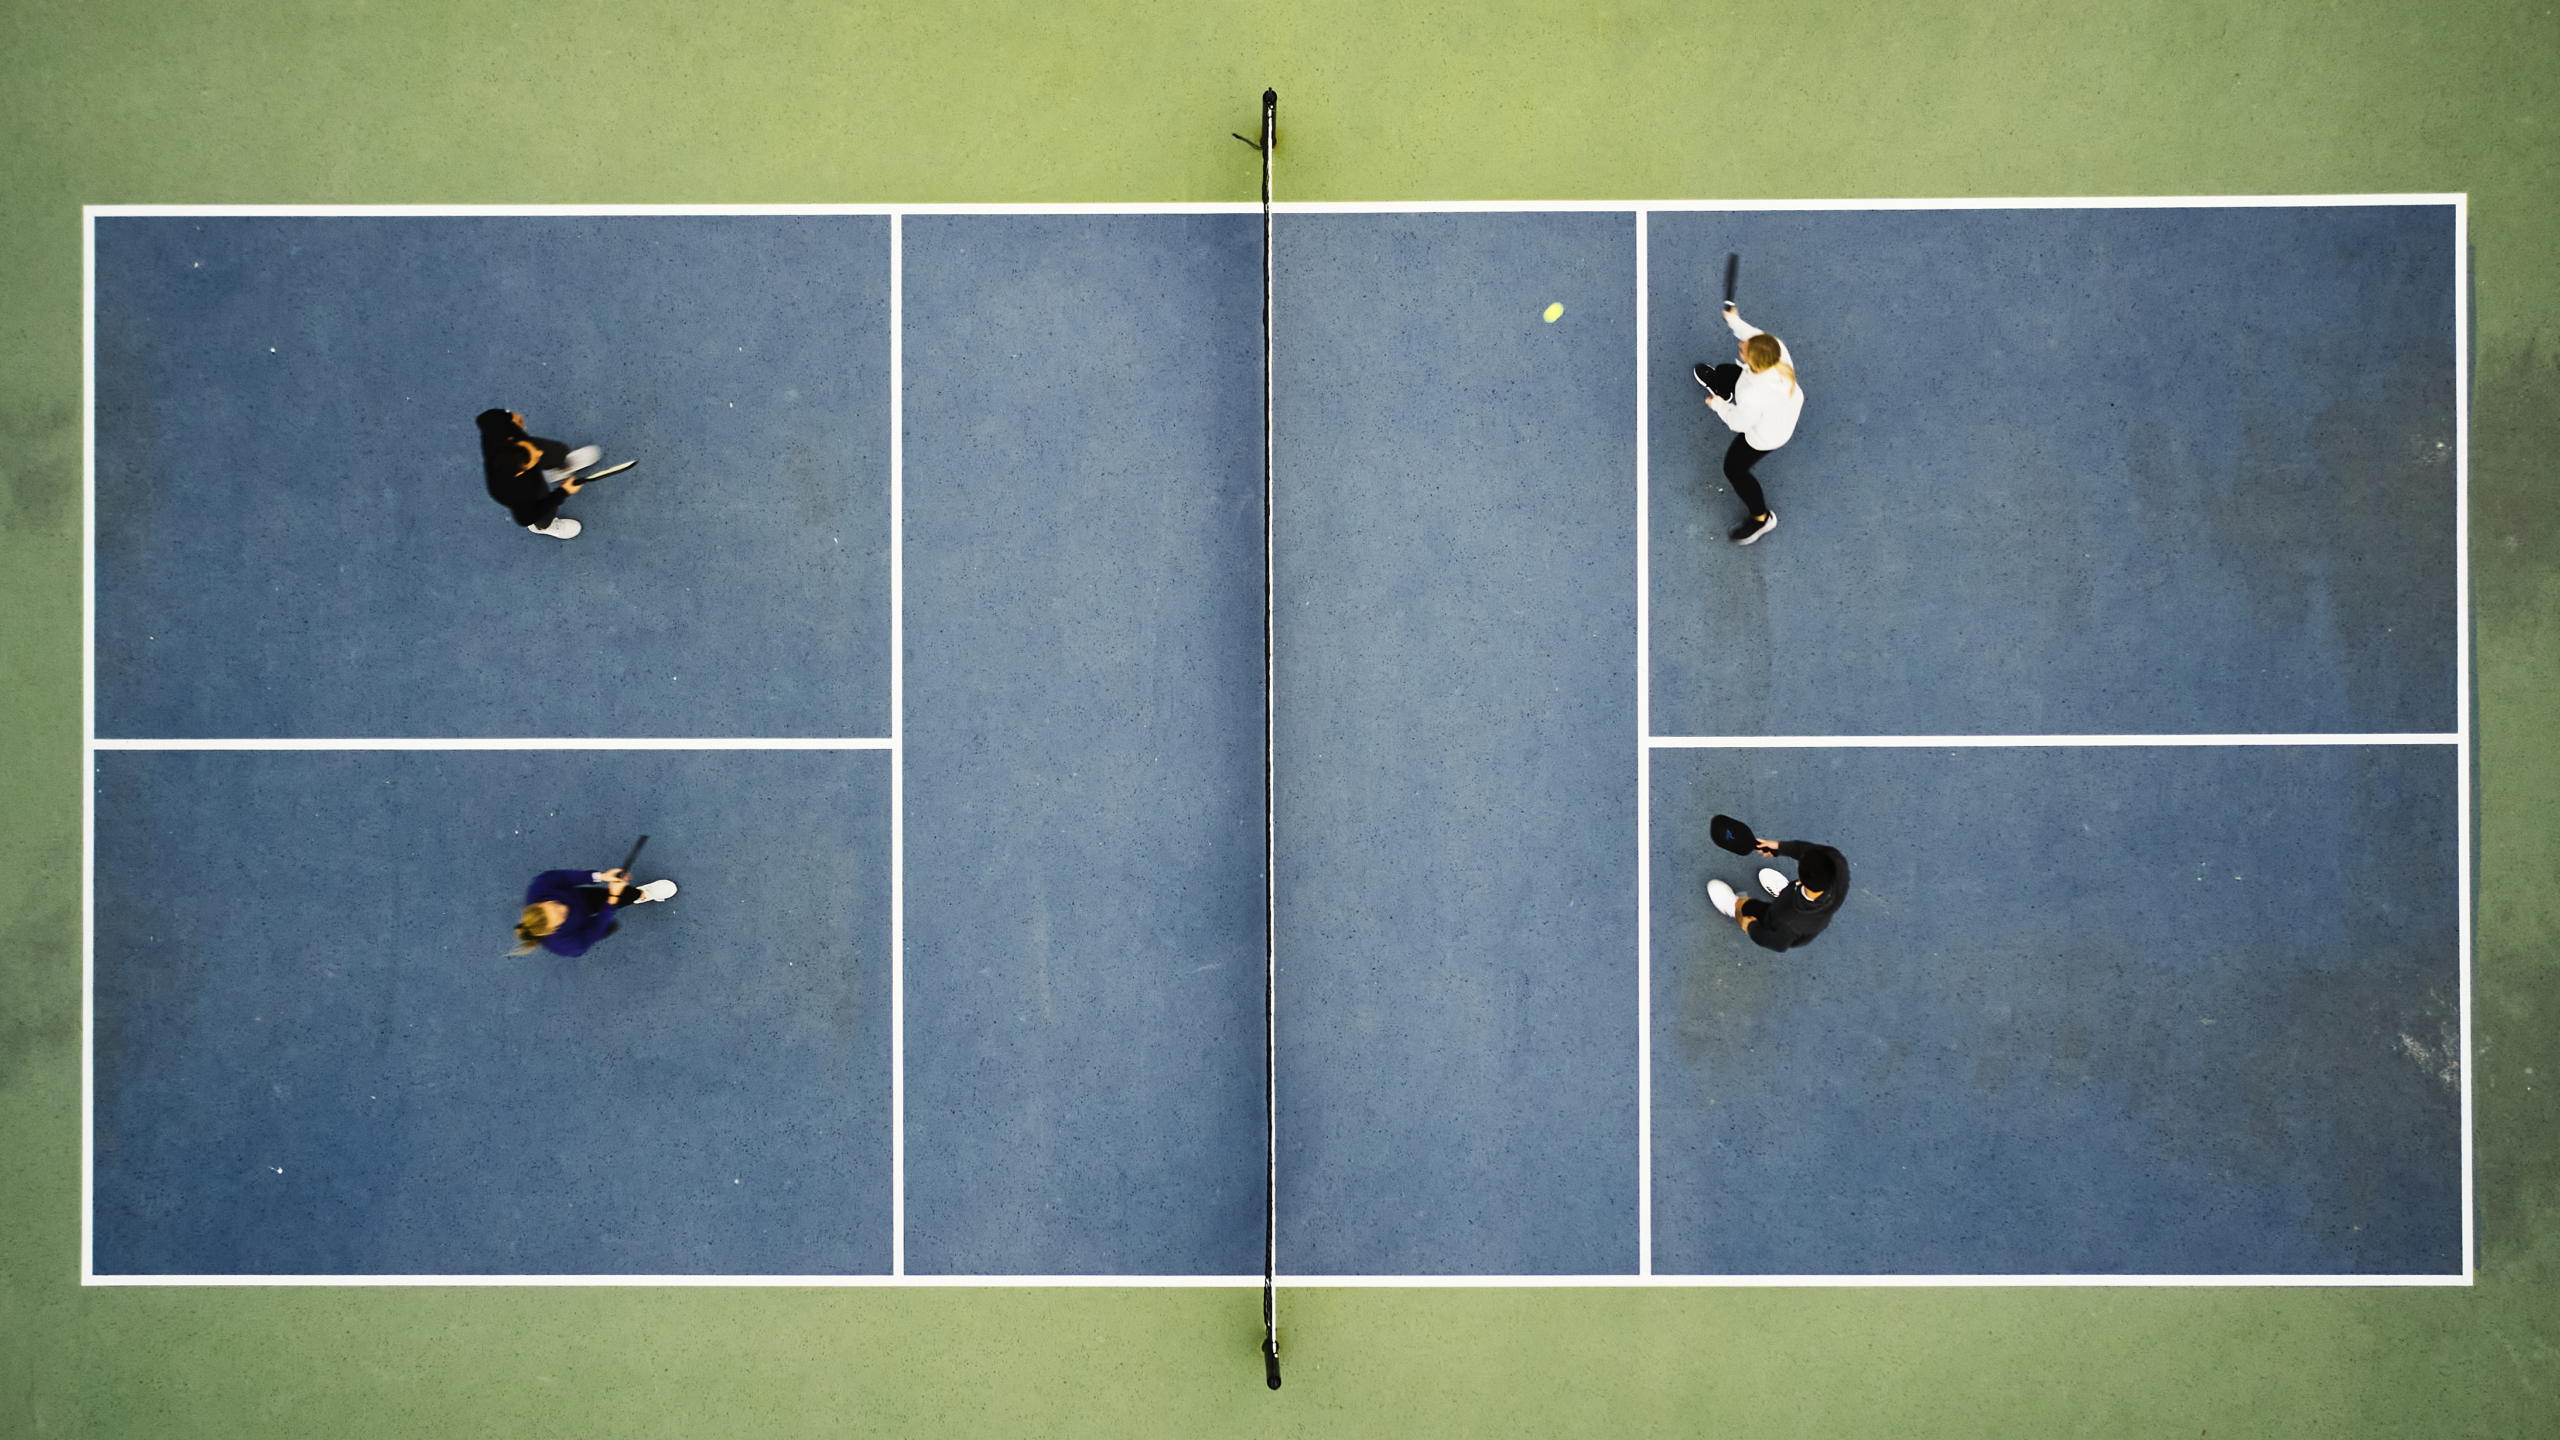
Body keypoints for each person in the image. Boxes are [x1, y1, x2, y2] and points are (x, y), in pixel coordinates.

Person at [1693, 302, 1804, 545]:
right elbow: (1752, 335)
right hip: (1781, 404)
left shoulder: (1753, 394)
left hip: (1767, 435)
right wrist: (1733, 319)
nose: (1742, 346)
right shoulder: (1776, 350)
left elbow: (1738, 422)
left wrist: (1718, 405)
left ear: (1753, 364)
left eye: (1744, 350)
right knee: (1726, 371)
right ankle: (1721, 385)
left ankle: (1761, 519)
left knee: (1734, 469)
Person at [477, 408, 606, 540]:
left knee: (558, 452)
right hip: (526, 488)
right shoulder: (519, 492)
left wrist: (510, 416)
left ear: (511, 440)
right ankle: (543, 526)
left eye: (531, 450)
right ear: (521, 472)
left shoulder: (497, 431)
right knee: (544, 512)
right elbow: (525, 518)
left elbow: (484, 418)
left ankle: (561, 468)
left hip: (519, 457)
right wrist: (563, 492)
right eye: (534, 458)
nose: (540, 453)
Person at [1707, 833, 1847, 953]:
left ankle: (1734, 907)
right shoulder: (1837, 863)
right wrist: (1780, 847)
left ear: (1802, 881)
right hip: (1809, 912)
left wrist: (1751, 927)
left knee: (1748, 907)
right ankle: (1784, 891)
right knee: (1789, 894)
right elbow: (1808, 850)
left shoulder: (1787, 920)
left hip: (1785, 923)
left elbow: (1775, 943)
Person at [510, 865, 678, 956]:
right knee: (604, 927)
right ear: (553, 930)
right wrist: (612, 897)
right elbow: (596, 929)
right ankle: (629, 898)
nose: (563, 907)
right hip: (583, 927)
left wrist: (601, 876)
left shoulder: (539, 887)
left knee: (621, 898)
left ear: (539, 903)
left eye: (553, 904)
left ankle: (641, 894)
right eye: (560, 915)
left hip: (582, 898)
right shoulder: (567, 945)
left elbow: (564, 877)